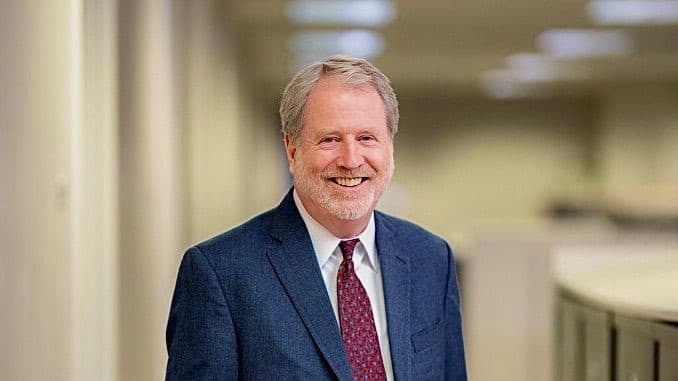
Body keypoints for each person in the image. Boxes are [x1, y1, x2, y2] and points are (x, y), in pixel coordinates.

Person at [165, 55, 467, 380]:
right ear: (292, 151)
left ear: (389, 147)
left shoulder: (431, 258)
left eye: (366, 138)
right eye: (330, 140)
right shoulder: (220, 273)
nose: (351, 160)